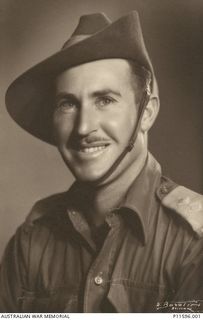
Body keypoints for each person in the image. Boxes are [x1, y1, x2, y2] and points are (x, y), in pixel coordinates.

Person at [1, 11, 203, 313]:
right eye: (68, 103)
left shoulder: (192, 243)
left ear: (146, 112)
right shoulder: (31, 244)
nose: (84, 128)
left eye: (105, 100)